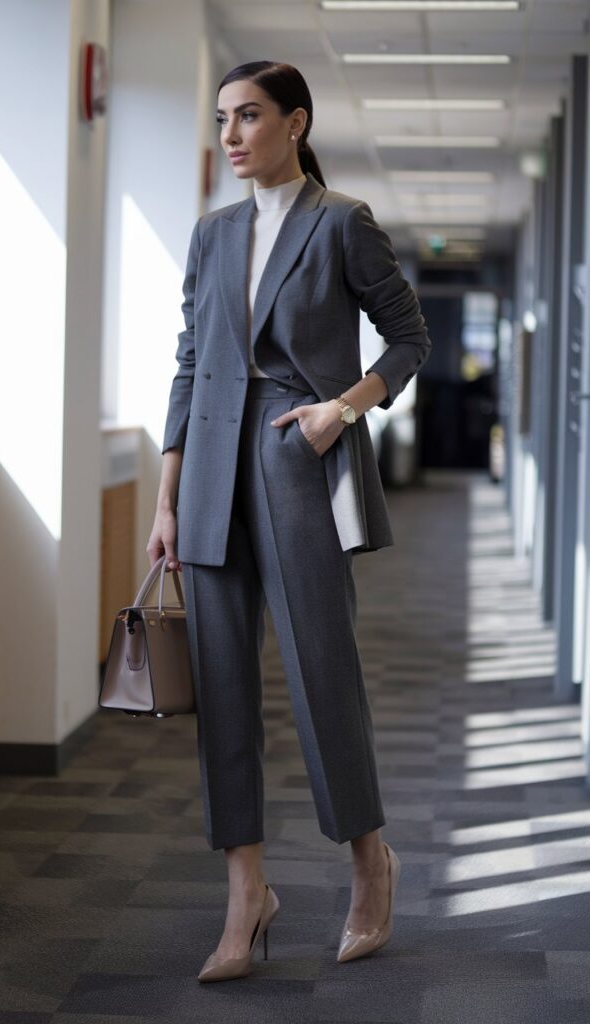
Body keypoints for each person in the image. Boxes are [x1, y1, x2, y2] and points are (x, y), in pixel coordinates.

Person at [147, 60, 431, 982]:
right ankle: (246, 896)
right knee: (222, 687)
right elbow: (190, 363)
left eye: (249, 116)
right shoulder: (211, 232)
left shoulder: (341, 222)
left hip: (297, 463)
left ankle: (367, 863)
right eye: (222, 119)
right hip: (208, 483)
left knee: (322, 675)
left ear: (295, 123)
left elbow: (410, 337)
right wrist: (164, 497)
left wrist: (340, 410)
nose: (230, 135)